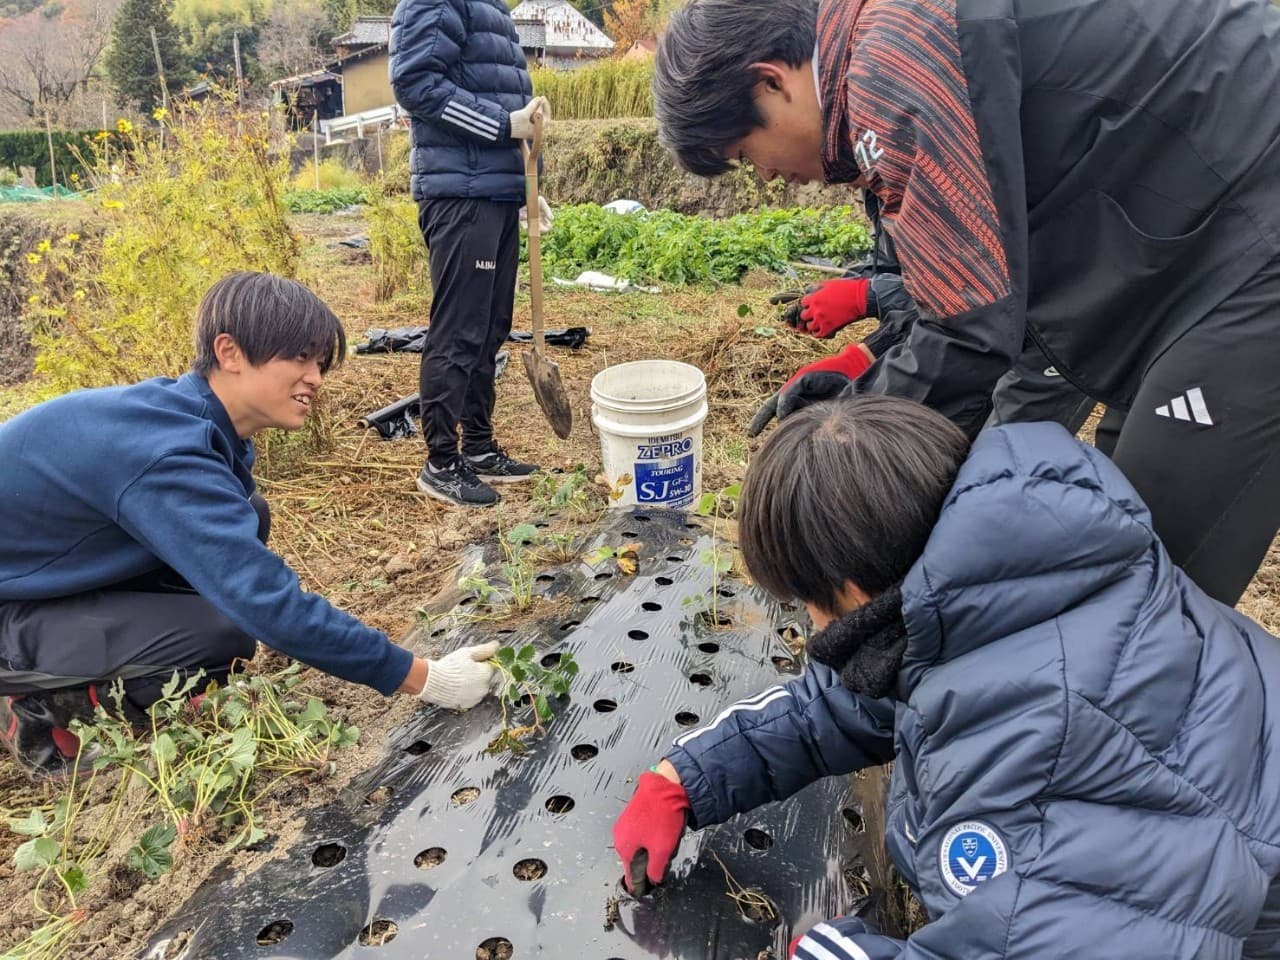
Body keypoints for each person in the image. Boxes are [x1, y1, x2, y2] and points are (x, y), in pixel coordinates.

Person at [652, 0, 1280, 607]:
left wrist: (837, 442)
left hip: (1253, 235)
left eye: (742, 157)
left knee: (1144, 587)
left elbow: (971, 330)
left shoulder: (891, 65)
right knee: (1104, 523)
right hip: (1193, 238)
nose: (763, 177)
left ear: (770, 82)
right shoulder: (875, 51)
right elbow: (957, 284)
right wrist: (867, 371)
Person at [613, 394, 1280, 957]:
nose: (811, 622)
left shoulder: (1022, 756)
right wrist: (689, 778)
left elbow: (1071, 933)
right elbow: (855, 701)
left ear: (847, 592)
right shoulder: (1030, 571)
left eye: (803, 602)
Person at [0, 273, 498, 779]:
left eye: (320, 363)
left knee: (248, 515)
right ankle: (41, 710)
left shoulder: (192, 422)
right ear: (230, 352)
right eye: (300, 357)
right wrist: (424, 677)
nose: (316, 378)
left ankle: (106, 664)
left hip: (35, 581)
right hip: (12, 613)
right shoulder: (165, 453)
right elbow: (265, 603)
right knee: (220, 632)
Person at [390, 0, 552, 507]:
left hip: (496, 192)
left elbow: (510, 105)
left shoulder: (494, 10)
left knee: (490, 327)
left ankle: (479, 447)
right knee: (459, 330)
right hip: (460, 194)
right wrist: (504, 125)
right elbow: (415, 84)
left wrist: (528, 188)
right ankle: (441, 462)